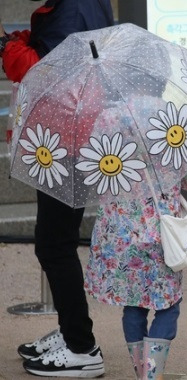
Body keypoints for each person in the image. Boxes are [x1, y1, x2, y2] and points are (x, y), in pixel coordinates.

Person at [0, 0, 113, 377]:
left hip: (67, 138)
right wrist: (18, 41)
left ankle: (82, 348)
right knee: (55, 240)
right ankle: (71, 332)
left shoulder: (75, 7)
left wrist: (9, 50)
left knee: (54, 244)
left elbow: (52, 74)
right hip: (71, 135)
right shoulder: (80, 4)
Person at [84, 165, 187, 380]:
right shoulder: (169, 136)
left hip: (122, 236)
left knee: (134, 305)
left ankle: (143, 373)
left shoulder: (109, 138)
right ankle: (152, 375)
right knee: (169, 305)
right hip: (161, 235)